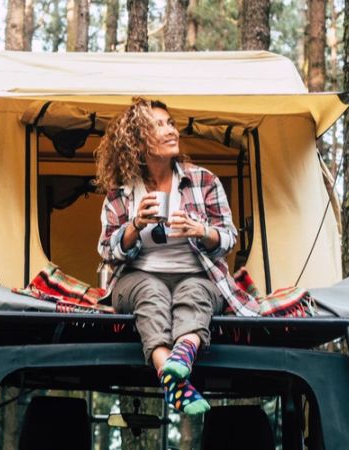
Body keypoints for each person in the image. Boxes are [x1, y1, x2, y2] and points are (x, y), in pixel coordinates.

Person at [95, 98, 247, 415]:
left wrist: (201, 231)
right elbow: (107, 249)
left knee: (196, 293)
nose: (170, 130)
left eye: (170, 123)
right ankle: (173, 379)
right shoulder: (121, 193)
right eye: (159, 126)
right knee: (151, 294)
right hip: (136, 279)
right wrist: (135, 225)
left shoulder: (204, 180)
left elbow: (229, 238)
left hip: (196, 275)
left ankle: (179, 360)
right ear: (137, 142)